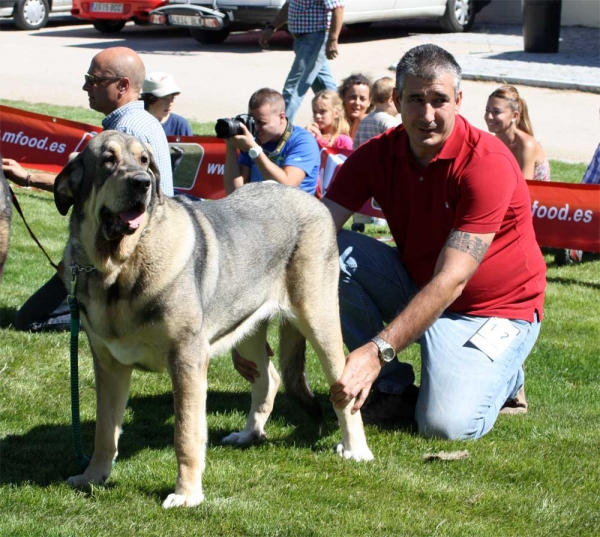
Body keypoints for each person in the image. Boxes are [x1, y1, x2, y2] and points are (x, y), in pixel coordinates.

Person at [319, 44, 546, 439]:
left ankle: (506, 376)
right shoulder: (376, 155)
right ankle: (390, 390)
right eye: (415, 100)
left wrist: (376, 351)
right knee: (326, 251)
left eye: (439, 100)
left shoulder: (486, 163)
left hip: (490, 310)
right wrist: (251, 322)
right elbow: (313, 233)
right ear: (396, 101)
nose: (427, 116)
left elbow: (452, 280)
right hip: (419, 284)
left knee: (446, 427)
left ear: (458, 100)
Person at [1, 46, 174, 332]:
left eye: (94, 80)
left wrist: (30, 178)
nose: (86, 86)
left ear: (123, 85)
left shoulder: (125, 133)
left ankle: (106, 317)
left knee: (31, 319)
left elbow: (90, 190)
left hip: (121, 257)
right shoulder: (142, 122)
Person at [223, 87, 320, 196]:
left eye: (261, 122)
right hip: (258, 209)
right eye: (253, 121)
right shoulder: (254, 140)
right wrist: (230, 145)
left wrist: (255, 150)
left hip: (293, 210)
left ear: (281, 117)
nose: (256, 128)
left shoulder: (303, 141)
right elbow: (234, 193)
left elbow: (288, 186)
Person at [259, 0, 345, 123]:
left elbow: (338, 8)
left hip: (314, 39)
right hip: (301, 41)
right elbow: (289, 5)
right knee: (326, 89)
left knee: (293, 88)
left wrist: (333, 39)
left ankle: (281, 133)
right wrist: (272, 27)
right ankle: (345, 124)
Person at [484, 85, 550, 181]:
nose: (489, 116)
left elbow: (523, 188)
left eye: (496, 112)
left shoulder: (526, 145)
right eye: (487, 110)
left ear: (514, 116)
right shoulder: (492, 143)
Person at [353, 76, 401, 150]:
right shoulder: (388, 120)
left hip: (364, 159)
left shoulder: (364, 121)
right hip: (382, 160)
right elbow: (395, 143)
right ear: (391, 99)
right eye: (398, 99)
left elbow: (355, 145)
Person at [141, 71, 193, 137]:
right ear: (150, 99)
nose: (170, 103)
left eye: (172, 97)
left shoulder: (180, 125)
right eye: (164, 98)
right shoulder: (137, 125)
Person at [338, 73, 372, 140]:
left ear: (369, 102)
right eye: (352, 97)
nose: (357, 102)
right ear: (343, 98)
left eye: (362, 99)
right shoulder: (333, 122)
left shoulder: (372, 126)